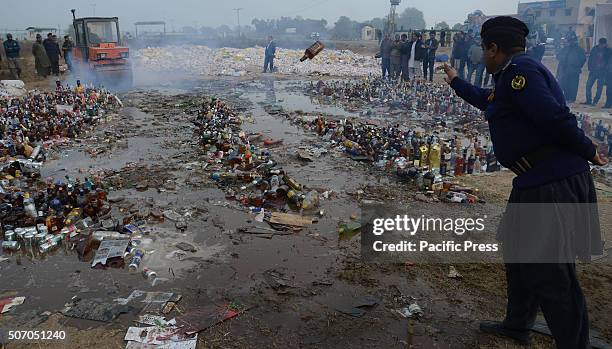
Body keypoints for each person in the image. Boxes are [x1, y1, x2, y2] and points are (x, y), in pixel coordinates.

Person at [442, 16, 604, 349]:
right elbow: (489, 100)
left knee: (550, 271)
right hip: (534, 180)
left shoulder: (521, 74)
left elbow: (554, 117)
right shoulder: (509, 77)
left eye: (484, 50)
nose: (482, 56)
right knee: (518, 254)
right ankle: (517, 325)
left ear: (493, 48)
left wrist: (590, 149)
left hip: (552, 181)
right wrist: (457, 82)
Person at [557, 37, 586, 103]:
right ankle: (566, 98)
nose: (571, 42)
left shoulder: (579, 50)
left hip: (574, 71)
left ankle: (572, 98)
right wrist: (563, 60)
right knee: (565, 84)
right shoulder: (565, 49)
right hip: (565, 70)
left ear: (575, 41)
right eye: (570, 41)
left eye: (572, 41)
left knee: (573, 85)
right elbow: (558, 56)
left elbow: (583, 59)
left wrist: (578, 66)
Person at [584, 38, 609, 106]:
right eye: (600, 44)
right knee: (588, 86)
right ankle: (588, 100)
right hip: (593, 71)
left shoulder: (608, 51)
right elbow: (590, 58)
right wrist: (589, 67)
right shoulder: (595, 49)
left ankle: (595, 101)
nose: (601, 45)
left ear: (605, 44)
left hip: (602, 72)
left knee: (599, 87)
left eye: (602, 44)